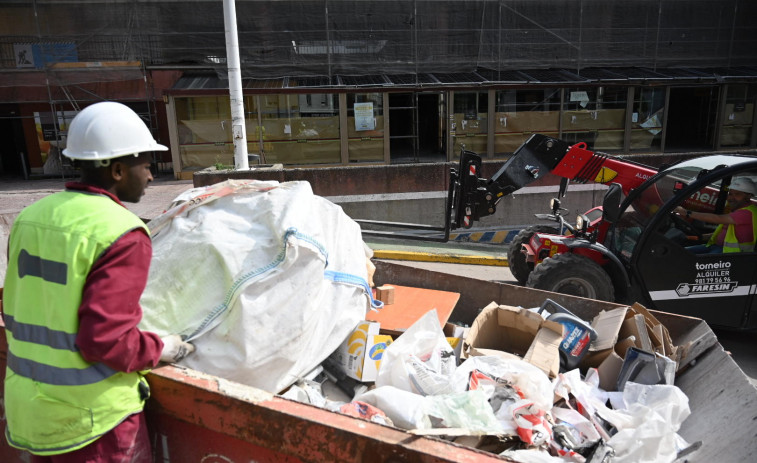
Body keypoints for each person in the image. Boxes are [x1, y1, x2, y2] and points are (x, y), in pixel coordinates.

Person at [2, 101, 195, 462]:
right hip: (93, 424)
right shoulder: (120, 232)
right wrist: (160, 348)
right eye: (146, 165)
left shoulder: (29, 218)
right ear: (118, 170)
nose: (152, 176)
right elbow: (105, 340)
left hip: (29, 409)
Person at [674, 176, 757, 254]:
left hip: (729, 253)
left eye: (737, 194)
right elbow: (726, 232)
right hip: (716, 246)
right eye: (730, 194)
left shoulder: (747, 212)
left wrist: (686, 212)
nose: (731, 198)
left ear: (748, 196)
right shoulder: (740, 210)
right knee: (679, 253)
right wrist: (699, 237)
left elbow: (716, 218)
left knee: (687, 261)